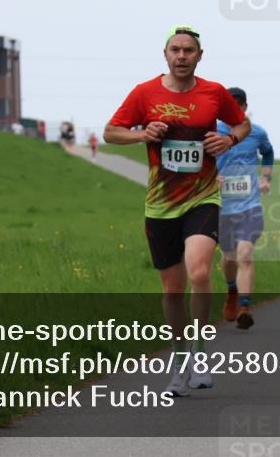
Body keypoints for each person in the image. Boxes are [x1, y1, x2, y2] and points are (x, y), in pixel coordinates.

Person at [103, 25, 251, 396]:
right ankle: (181, 357)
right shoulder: (144, 93)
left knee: (199, 271)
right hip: (161, 204)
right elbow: (110, 132)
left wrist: (230, 138)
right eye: (175, 50)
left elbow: (242, 123)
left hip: (203, 197)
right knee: (172, 291)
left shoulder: (214, 93)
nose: (182, 56)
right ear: (166, 55)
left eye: (189, 50)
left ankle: (200, 355)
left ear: (200, 56)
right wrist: (141, 134)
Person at [216, 87, 273, 330]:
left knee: (245, 254)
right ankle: (231, 291)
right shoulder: (211, 130)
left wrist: (266, 177)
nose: (235, 109)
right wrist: (211, 176)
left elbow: (268, 152)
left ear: (245, 107)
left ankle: (244, 308)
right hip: (221, 206)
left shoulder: (257, 132)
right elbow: (198, 159)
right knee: (228, 258)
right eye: (230, 105)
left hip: (250, 205)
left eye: (239, 105)